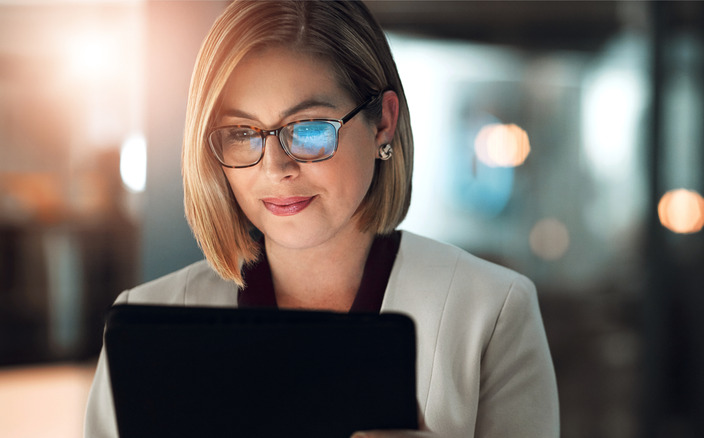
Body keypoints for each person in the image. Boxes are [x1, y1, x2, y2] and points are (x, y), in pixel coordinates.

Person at [84, 1, 559, 437]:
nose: (276, 167)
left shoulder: (492, 312)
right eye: (242, 133)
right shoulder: (149, 325)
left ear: (383, 123)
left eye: (309, 129)